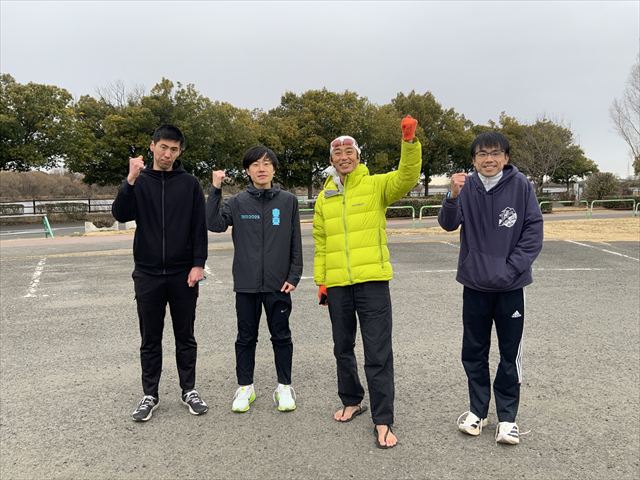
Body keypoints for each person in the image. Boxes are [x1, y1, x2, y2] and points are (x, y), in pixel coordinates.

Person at [313, 115, 421, 449]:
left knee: (377, 351)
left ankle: (383, 419)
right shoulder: (325, 196)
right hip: (338, 284)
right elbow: (321, 242)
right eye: (337, 153)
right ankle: (351, 399)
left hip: (372, 281)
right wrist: (321, 281)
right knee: (342, 347)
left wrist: (409, 142)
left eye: (349, 152)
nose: (344, 157)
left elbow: (407, 176)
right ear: (331, 160)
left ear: (358, 156)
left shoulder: (376, 186)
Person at [438, 131, 543, 445]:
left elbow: (533, 231)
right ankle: (478, 412)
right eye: (482, 154)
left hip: (510, 287)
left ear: (506, 158)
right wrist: (452, 195)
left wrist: (511, 269)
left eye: (495, 153)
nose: (489, 159)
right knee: (473, 351)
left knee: (510, 353)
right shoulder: (466, 186)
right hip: (475, 285)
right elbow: (448, 223)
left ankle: (508, 418)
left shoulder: (521, 185)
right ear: (473, 160)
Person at [112, 124, 209, 422]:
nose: (168, 154)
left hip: (183, 273)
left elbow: (198, 226)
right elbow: (121, 213)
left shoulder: (189, 183)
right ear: (152, 146)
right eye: (163, 147)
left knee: (185, 336)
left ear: (180, 152)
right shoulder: (140, 182)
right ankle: (149, 394)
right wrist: (130, 180)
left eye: (174, 149)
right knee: (150, 338)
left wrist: (198, 264)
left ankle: (189, 390)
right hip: (148, 273)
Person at [206, 146, 303, 413]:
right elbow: (213, 223)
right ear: (247, 171)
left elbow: (295, 240)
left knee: (281, 336)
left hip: (279, 284)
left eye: (267, 163)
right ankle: (245, 387)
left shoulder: (287, 201)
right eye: (256, 165)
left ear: (274, 169)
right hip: (246, 284)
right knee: (245, 338)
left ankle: (284, 387)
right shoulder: (237, 202)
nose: (262, 169)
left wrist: (294, 275)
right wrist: (215, 189)